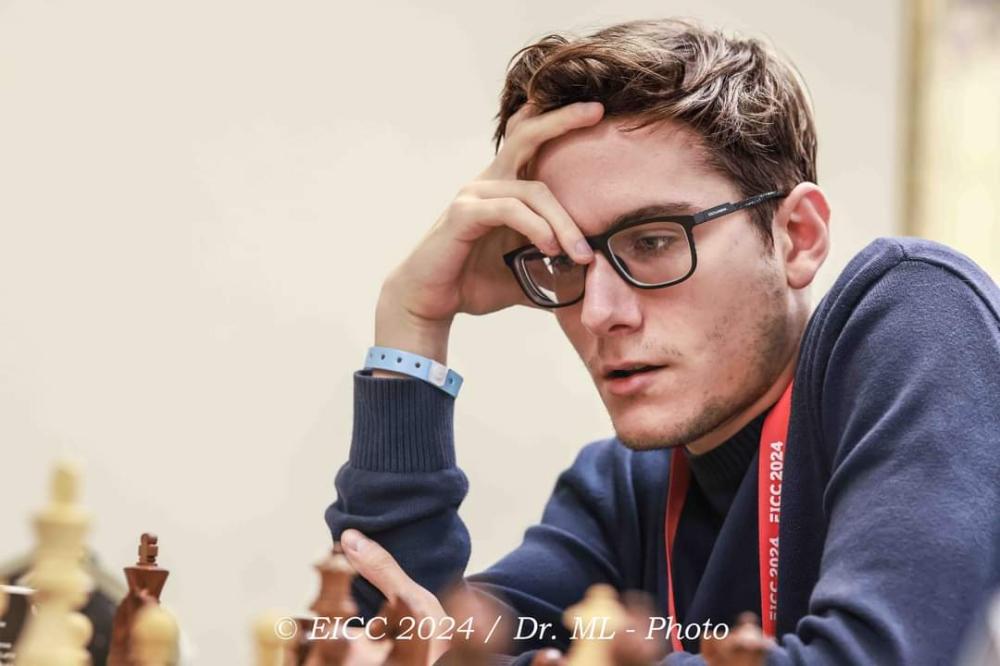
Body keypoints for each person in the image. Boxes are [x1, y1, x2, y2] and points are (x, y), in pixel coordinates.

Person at [324, 17, 1000, 665]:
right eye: (562, 259)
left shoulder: (919, 311)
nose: (599, 313)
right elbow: (401, 639)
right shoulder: (622, 488)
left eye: (652, 242)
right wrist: (414, 322)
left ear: (797, 238)